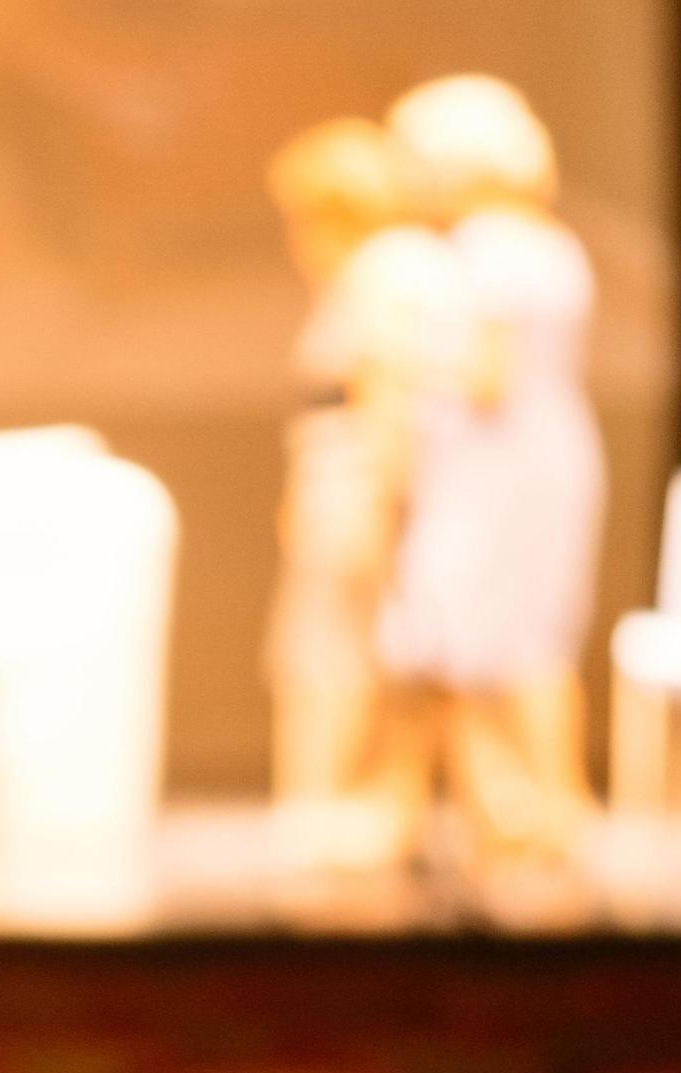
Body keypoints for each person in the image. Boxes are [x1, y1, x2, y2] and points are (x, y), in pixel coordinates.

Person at [373, 74, 602, 870]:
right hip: (524, 456)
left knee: (495, 638)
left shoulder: (492, 250)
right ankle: (507, 814)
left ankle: (552, 809)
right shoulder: (544, 240)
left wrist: (391, 355)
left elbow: (488, 377)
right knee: (495, 638)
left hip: (500, 464)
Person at [265, 117, 432, 849]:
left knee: (339, 653)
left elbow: (388, 398)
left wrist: (384, 502)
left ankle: (339, 810)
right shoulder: (376, 273)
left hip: (356, 489)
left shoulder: (384, 273)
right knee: (328, 649)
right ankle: (337, 807)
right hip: (342, 483)